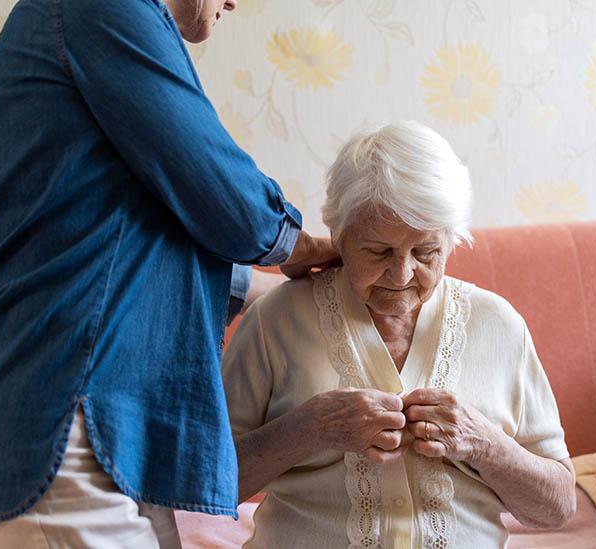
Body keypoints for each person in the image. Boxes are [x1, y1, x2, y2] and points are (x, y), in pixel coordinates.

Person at [0, 0, 336, 547]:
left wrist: (287, 285)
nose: (233, 3)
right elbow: (213, 180)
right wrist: (300, 245)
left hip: (83, 437)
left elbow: (118, 242)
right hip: (60, 434)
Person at [223, 121, 576, 548]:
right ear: (338, 235)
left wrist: (484, 444)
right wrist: (311, 428)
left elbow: (556, 507)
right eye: (378, 251)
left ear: (451, 241)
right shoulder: (275, 321)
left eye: (426, 252)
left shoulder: (499, 325)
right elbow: (208, 484)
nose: (402, 273)